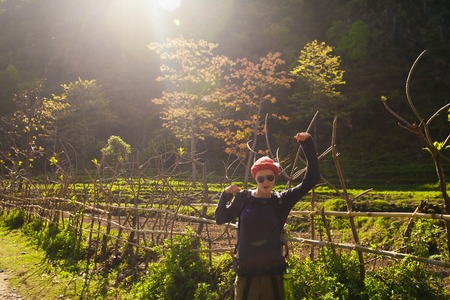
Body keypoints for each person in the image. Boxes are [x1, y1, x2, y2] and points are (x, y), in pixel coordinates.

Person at [215, 132, 320, 300]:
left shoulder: (281, 201)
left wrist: (308, 144)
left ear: (275, 178)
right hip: (246, 277)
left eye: (270, 177)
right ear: (255, 178)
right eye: (261, 178)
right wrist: (225, 196)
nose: (265, 182)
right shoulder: (243, 198)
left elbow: (312, 179)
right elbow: (220, 218)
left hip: (273, 277)